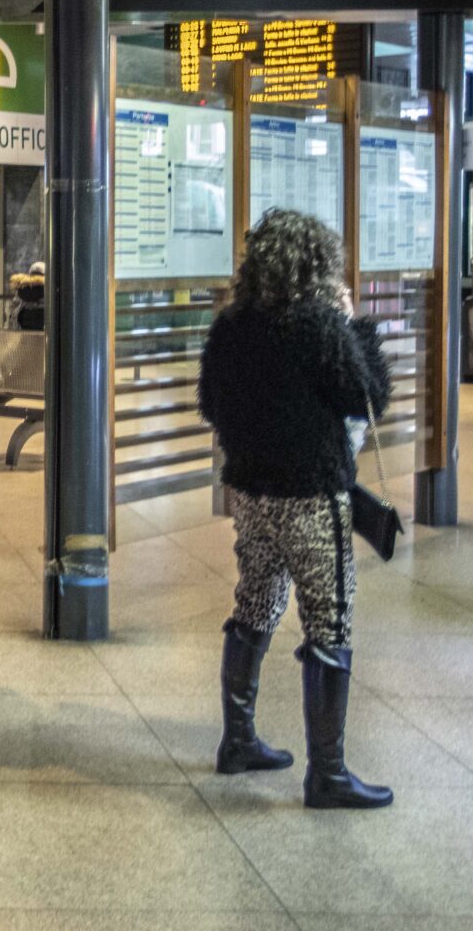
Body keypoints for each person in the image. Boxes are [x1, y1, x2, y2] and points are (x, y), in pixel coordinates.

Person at [199, 209, 394, 810]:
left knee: (255, 603)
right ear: (318, 262)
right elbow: (370, 395)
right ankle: (328, 774)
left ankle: (238, 740)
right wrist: (354, 322)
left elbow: (210, 405)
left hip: (251, 497)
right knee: (329, 622)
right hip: (312, 497)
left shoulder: (230, 327)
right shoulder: (317, 325)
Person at [10, 260, 46, 330]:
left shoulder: (22, 288)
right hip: (43, 326)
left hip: (24, 325)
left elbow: (13, 307)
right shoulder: (48, 289)